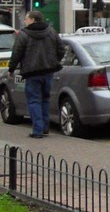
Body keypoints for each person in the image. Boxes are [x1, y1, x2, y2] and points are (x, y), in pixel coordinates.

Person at [8, 10, 66, 138]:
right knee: (45, 99)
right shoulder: (51, 32)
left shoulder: (24, 34)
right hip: (48, 72)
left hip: (32, 73)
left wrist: (11, 69)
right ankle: (45, 127)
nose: (25, 21)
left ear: (33, 20)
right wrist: (54, 61)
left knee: (34, 101)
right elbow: (61, 49)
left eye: (26, 19)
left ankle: (37, 130)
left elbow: (16, 53)